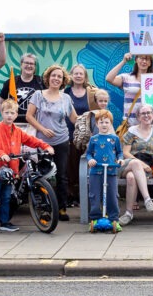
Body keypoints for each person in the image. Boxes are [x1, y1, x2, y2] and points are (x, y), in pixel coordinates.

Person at [0, 99, 54, 234]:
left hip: (12, 171)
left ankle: (5, 222)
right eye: (6, 112)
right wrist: (0, 153)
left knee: (6, 197)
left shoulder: (18, 131)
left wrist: (46, 146)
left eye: (12, 113)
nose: (9, 115)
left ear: (16, 115)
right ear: (1, 113)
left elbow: (32, 140)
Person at [27, 64, 79, 221]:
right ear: (48, 78)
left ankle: (62, 208)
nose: (56, 78)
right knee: (43, 175)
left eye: (59, 77)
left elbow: (74, 118)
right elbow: (29, 116)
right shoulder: (38, 95)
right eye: (53, 76)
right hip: (42, 142)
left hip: (62, 140)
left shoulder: (66, 98)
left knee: (62, 176)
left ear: (63, 80)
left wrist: (92, 119)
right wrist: (42, 129)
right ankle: (45, 209)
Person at [118, 103, 153, 224]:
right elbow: (126, 153)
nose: (146, 115)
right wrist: (141, 164)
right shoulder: (132, 131)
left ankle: (128, 213)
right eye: (143, 113)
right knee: (136, 165)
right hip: (128, 163)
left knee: (131, 178)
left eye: (149, 113)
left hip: (146, 168)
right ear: (138, 117)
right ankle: (147, 199)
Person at [65, 64, 99, 207]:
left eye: (81, 74)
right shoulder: (66, 92)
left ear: (85, 76)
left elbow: (97, 113)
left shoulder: (91, 93)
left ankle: (85, 197)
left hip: (88, 136)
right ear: (71, 76)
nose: (78, 76)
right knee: (70, 167)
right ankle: (71, 196)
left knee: (85, 164)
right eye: (76, 73)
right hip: (69, 134)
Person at [86, 110, 123, 233]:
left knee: (112, 195)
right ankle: (95, 218)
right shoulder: (94, 139)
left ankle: (114, 219)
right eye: (101, 122)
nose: (104, 124)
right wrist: (90, 160)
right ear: (97, 124)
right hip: (96, 171)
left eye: (107, 122)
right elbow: (88, 153)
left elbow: (119, 152)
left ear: (110, 124)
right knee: (94, 195)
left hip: (111, 170)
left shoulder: (114, 139)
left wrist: (120, 160)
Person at [105, 53, 153, 127]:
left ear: (150, 63)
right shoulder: (127, 77)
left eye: (147, 59)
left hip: (149, 125)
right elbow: (109, 78)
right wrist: (123, 61)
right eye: (141, 58)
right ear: (136, 60)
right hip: (130, 124)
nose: (144, 61)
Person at [0, 53, 44, 131]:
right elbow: (0, 102)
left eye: (32, 64)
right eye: (26, 63)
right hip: (14, 126)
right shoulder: (11, 82)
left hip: (35, 126)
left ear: (35, 67)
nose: (29, 66)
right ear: (21, 65)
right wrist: (7, 117)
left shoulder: (42, 82)